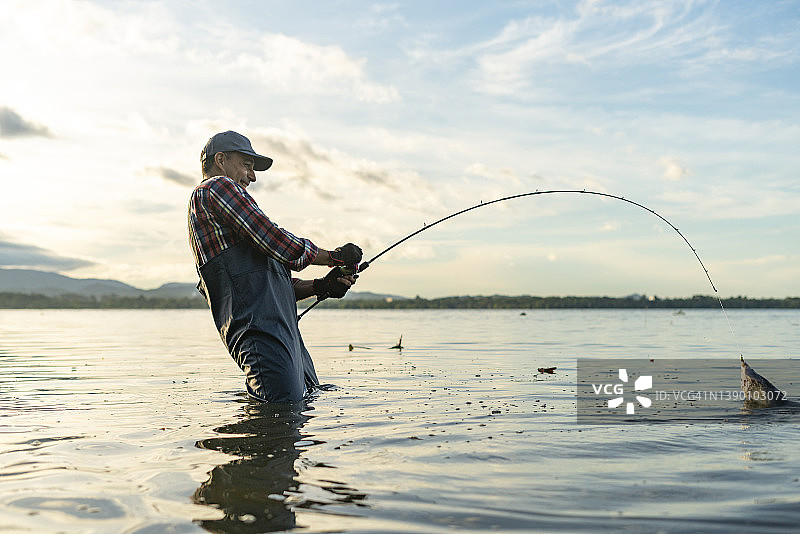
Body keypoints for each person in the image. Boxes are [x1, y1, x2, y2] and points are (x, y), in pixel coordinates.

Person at [188, 130, 362, 403]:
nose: (252, 176)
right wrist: (334, 257)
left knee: (302, 404)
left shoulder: (230, 217)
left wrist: (322, 286)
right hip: (261, 336)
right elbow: (274, 239)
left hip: (284, 336)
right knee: (281, 411)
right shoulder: (214, 188)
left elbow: (269, 284)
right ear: (220, 160)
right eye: (247, 165)